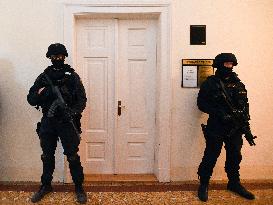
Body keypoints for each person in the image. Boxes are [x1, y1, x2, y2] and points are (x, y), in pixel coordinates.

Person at [27, 43, 87, 204]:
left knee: (72, 156)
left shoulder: (72, 76)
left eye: (60, 56)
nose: (57, 59)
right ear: (49, 57)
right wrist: (45, 92)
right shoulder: (44, 77)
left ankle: (79, 187)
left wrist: (72, 112)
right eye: (54, 56)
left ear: (64, 56)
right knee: (47, 156)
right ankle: (45, 185)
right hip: (48, 121)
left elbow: (82, 100)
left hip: (67, 121)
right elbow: (31, 98)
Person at [196, 53, 257, 202]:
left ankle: (234, 183)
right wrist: (218, 113)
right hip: (216, 126)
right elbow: (201, 104)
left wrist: (246, 127)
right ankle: (203, 183)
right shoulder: (210, 83)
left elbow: (245, 108)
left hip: (235, 128)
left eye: (231, 64)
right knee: (211, 155)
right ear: (219, 65)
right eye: (226, 64)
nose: (229, 67)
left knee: (235, 156)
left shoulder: (239, 84)